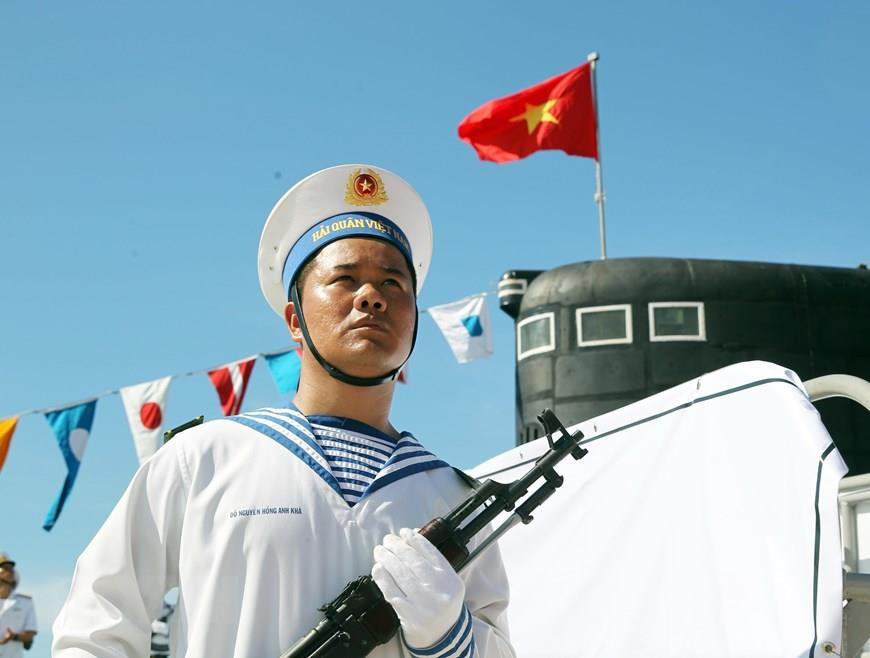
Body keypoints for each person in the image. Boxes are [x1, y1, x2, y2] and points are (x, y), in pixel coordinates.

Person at [53, 164, 515, 657]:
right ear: (295, 320)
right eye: (344, 279)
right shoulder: (204, 458)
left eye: (393, 284)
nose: (371, 298)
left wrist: (451, 636)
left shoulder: (452, 496)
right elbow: (97, 623)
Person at [0, 554, 37, 657]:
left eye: (10, 568)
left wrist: (14, 637)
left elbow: (30, 634)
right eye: (4, 568)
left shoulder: (25, 602)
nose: (9, 571)